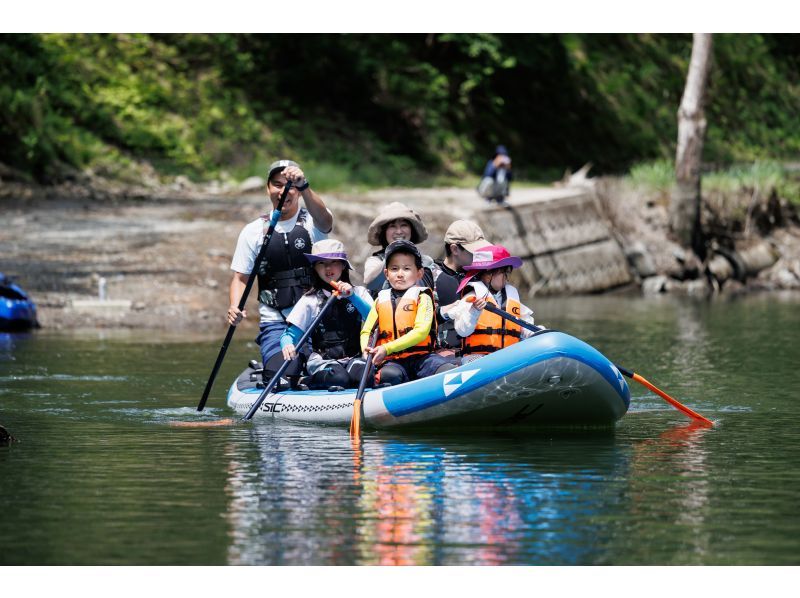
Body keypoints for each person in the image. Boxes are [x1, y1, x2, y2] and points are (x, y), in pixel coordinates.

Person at [228, 159, 333, 380]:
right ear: (268, 188)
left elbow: (326, 221)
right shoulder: (253, 231)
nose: (284, 191)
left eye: (291, 186)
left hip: (319, 319)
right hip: (277, 323)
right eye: (277, 184)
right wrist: (235, 306)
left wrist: (303, 185)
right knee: (285, 374)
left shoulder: (313, 221)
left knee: (332, 374)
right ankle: (280, 368)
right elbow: (240, 278)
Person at [360, 240, 457, 387]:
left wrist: (387, 348)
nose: (400, 274)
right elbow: (367, 331)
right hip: (393, 361)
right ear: (386, 273)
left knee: (446, 370)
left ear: (419, 273)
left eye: (406, 268)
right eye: (394, 269)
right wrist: (366, 350)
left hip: (423, 358)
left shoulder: (423, 297)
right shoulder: (380, 300)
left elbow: (421, 332)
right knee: (388, 375)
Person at [280, 239, 373, 390]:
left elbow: (373, 319)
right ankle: (305, 380)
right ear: (315, 268)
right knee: (339, 378)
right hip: (323, 361)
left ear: (343, 265)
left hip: (354, 358)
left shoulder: (359, 293)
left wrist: (351, 297)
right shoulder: (310, 300)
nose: (328, 268)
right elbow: (289, 334)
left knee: (367, 377)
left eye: (333, 262)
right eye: (321, 263)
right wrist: (288, 344)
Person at [450, 244, 537, 363]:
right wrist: (474, 311)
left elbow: (524, 326)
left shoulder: (510, 295)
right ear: (488, 275)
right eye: (503, 273)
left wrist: (539, 333)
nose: (507, 278)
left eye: (508, 273)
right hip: (478, 358)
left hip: (508, 358)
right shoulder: (472, 297)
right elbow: (462, 331)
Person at [430, 220, 490, 354]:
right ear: (454, 249)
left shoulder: (482, 277)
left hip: (477, 352)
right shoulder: (429, 275)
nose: (478, 255)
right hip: (441, 356)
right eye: (474, 251)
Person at [363, 202, 434, 296]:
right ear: (384, 232)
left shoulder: (425, 261)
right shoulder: (375, 261)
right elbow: (370, 283)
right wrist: (392, 252)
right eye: (392, 226)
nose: (399, 231)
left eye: (404, 225)